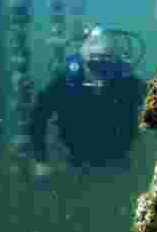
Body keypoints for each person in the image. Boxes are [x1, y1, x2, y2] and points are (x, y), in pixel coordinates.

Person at [30, 26, 147, 183]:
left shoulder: (128, 84)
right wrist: (40, 161)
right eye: (94, 65)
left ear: (114, 62)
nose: (99, 72)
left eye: (105, 65)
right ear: (83, 62)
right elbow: (39, 116)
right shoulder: (65, 82)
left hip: (119, 162)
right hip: (73, 162)